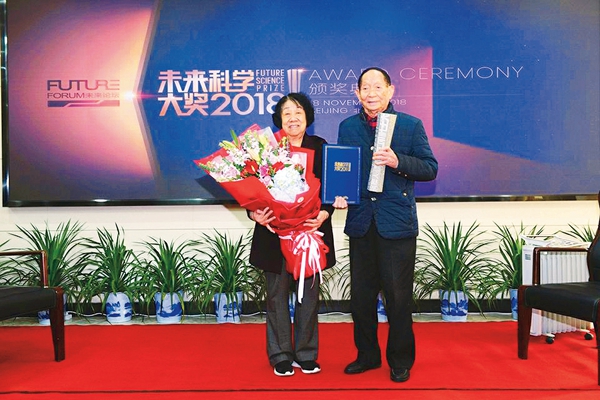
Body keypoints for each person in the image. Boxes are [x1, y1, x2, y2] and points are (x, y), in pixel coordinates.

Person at [332, 67, 438, 383]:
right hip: (361, 222)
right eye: (365, 87)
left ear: (390, 91)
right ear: (357, 94)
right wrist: (339, 193)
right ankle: (367, 356)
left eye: (378, 86)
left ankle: (400, 359)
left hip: (396, 224)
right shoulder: (347, 127)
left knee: (398, 298)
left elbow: (430, 168)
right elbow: (343, 169)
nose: (371, 93)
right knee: (361, 299)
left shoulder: (409, 125)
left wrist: (397, 161)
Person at [249, 92, 336, 377]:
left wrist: (324, 213)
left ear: (308, 117)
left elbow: (332, 189)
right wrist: (254, 213)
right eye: (287, 113)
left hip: (310, 233)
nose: (293, 118)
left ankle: (306, 354)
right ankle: (281, 355)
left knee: (308, 297)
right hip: (274, 234)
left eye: (298, 112)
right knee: (276, 297)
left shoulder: (320, 147)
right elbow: (252, 192)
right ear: (279, 119)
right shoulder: (267, 149)